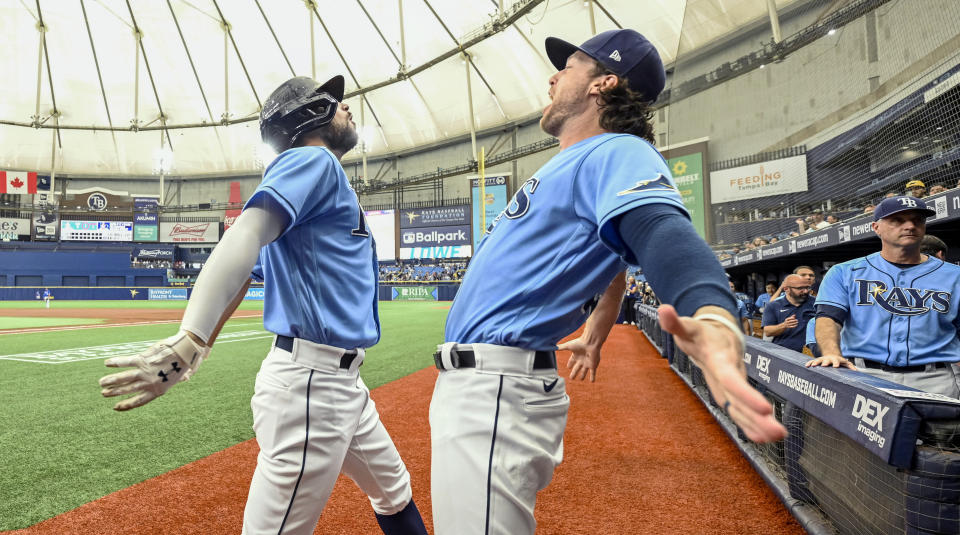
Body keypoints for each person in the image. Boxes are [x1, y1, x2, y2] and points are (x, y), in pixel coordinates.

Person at [428, 29, 786, 535]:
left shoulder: (617, 150)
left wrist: (709, 311)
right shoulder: (580, 161)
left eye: (570, 66)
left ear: (604, 83)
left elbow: (659, 229)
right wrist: (597, 331)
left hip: (494, 390)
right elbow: (614, 255)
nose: (553, 76)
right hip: (491, 387)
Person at [98, 75, 427, 535]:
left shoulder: (309, 193)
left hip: (340, 384)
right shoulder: (314, 160)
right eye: (334, 102)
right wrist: (190, 337)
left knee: (393, 491)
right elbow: (245, 234)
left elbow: (247, 273)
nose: (346, 108)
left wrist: (202, 348)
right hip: (313, 386)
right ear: (310, 115)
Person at [807, 196, 960, 398]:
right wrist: (831, 352)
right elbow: (828, 318)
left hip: (936, 379)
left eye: (917, 220)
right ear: (876, 227)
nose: (910, 226)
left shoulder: (954, 275)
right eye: (897, 220)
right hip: (863, 374)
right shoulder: (844, 272)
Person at [761, 274, 816, 353]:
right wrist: (784, 325)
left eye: (807, 287)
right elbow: (768, 332)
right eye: (800, 288)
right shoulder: (773, 306)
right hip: (784, 353)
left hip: (810, 354)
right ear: (786, 289)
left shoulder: (816, 303)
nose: (806, 291)